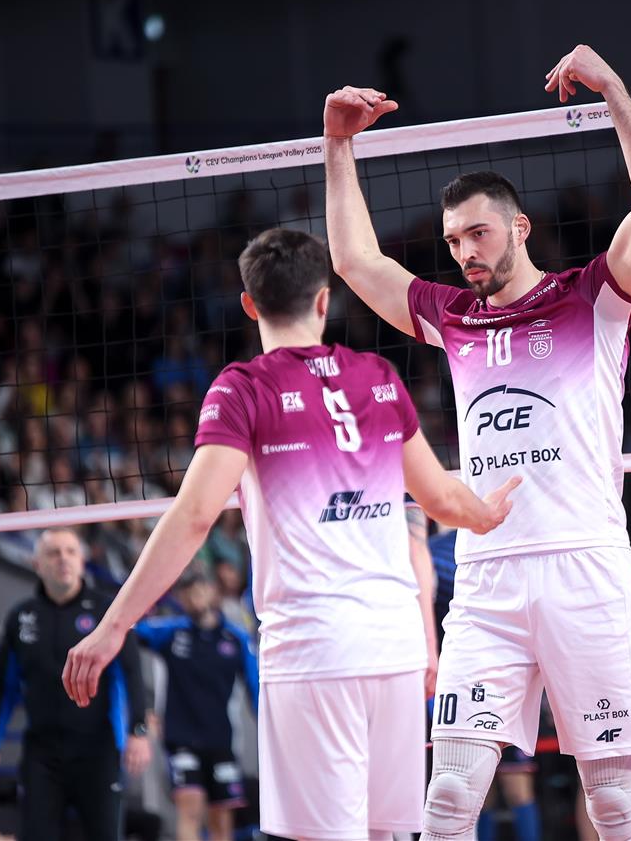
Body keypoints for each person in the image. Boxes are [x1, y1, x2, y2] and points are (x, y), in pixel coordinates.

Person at [324, 42, 631, 840]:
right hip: (487, 573)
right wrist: (337, 143)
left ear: (519, 227)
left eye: (478, 233)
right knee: (449, 794)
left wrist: (614, 88)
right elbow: (353, 260)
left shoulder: (591, 298)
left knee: (615, 803)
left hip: (584, 563)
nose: (465, 252)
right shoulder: (453, 316)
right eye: (453, 241)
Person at [62, 228, 519, 841]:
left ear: (249, 305)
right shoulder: (380, 375)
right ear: (324, 300)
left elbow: (194, 517)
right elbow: (440, 499)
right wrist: (488, 513)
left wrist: (114, 625)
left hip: (314, 651)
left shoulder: (242, 388)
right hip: (396, 650)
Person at [0, 528, 151, 841]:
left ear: (82, 561)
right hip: (42, 755)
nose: (63, 559)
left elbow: (132, 672)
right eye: (53, 553)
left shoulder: (108, 612)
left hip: (98, 750)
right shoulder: (21, 617)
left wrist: (138, 730)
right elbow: (5, 687)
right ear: (37, 564)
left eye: (70, 552)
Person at [426, 526, 541, 841]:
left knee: (513, 786)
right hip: (460, 673)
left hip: (504, 672)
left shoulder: (508, 536)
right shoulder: (429, 551)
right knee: (465, 790)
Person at [133, 570, 259, 841]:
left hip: (222, 739)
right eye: (188, 593)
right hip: (181, 739)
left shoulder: (235, 638)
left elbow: (255, 688)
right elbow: (131, 632)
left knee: (221, 818)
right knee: (189, 809)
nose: (195, 597)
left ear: (213, 592)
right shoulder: (170, 631)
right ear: (180, 598)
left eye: (200, 590)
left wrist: (269, 729)